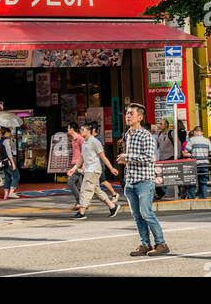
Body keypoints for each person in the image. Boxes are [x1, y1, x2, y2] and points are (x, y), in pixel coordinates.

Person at [118, 103, 169, 257]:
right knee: (137, 215)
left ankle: (161, 243)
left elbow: (149, 158)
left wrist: (127, 157)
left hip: (144, 181)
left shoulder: (145, 135)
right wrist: (127, 161)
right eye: (127, 113)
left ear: (140, 117)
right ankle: (145, 244)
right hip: (130, 180)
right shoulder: (127, 134)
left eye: (131, 113)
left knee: (146, 213)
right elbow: (134, 158)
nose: (128, 116)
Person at [71, 121, 119, 218]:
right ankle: (113, 206)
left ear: (89, 131)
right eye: (81, 129)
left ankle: (82, 212)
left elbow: (103, 157)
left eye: (83, 129)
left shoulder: (95, 142)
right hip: (89, 170)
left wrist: (111, 168)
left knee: (85, 189)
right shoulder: (84, 142)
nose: (81, 131)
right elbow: (82, 158)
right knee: (97, 191)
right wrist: (74, 168)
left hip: (93, 170)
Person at [183, 125, 211, 200]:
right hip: (205, 163)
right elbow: (210, 153)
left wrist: (192, 153)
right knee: (203, 182)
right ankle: (203, 198)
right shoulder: (207, 140)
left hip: (195, 163)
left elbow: (186, 151)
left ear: (195, 132)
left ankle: (192, 198)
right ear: (202, 132)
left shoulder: (192, 140)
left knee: (192, 182)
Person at [0, 127, 20, 201]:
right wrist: (13, 163)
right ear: (7, 133)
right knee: (16, 175)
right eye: (9, 133)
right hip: (8, 162)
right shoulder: (6, 141)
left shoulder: (1, 140)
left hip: (3, 162)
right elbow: (9, 153)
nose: (10, 134)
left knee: (7, 177)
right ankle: (11, 192)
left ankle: (6, 194)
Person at [66, 120, 84, 207]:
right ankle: (83, 202)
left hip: (79, 164)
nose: (67, 129)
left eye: (68, 128)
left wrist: (83, 166)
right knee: (79, 185)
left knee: (70, 182)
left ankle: (80, 201)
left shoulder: (80, 139)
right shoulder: (73, 140)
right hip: (73, 164)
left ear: (72, 129)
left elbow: (84, 153)